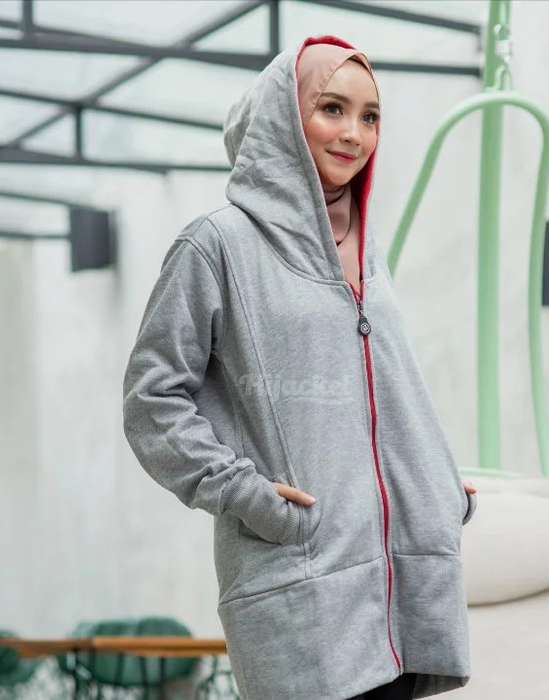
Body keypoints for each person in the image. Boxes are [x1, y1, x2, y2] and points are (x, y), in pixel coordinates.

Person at [122, 35, 478, 700]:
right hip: (302, 584)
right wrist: (247, 494)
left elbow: (385, 388)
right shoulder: (216, 244)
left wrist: (431, 483)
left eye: (370, 116)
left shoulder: (367, 250)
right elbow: (152, 401)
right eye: (332, 108)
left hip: (401, 586)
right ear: (284, 118)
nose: (354, 133)